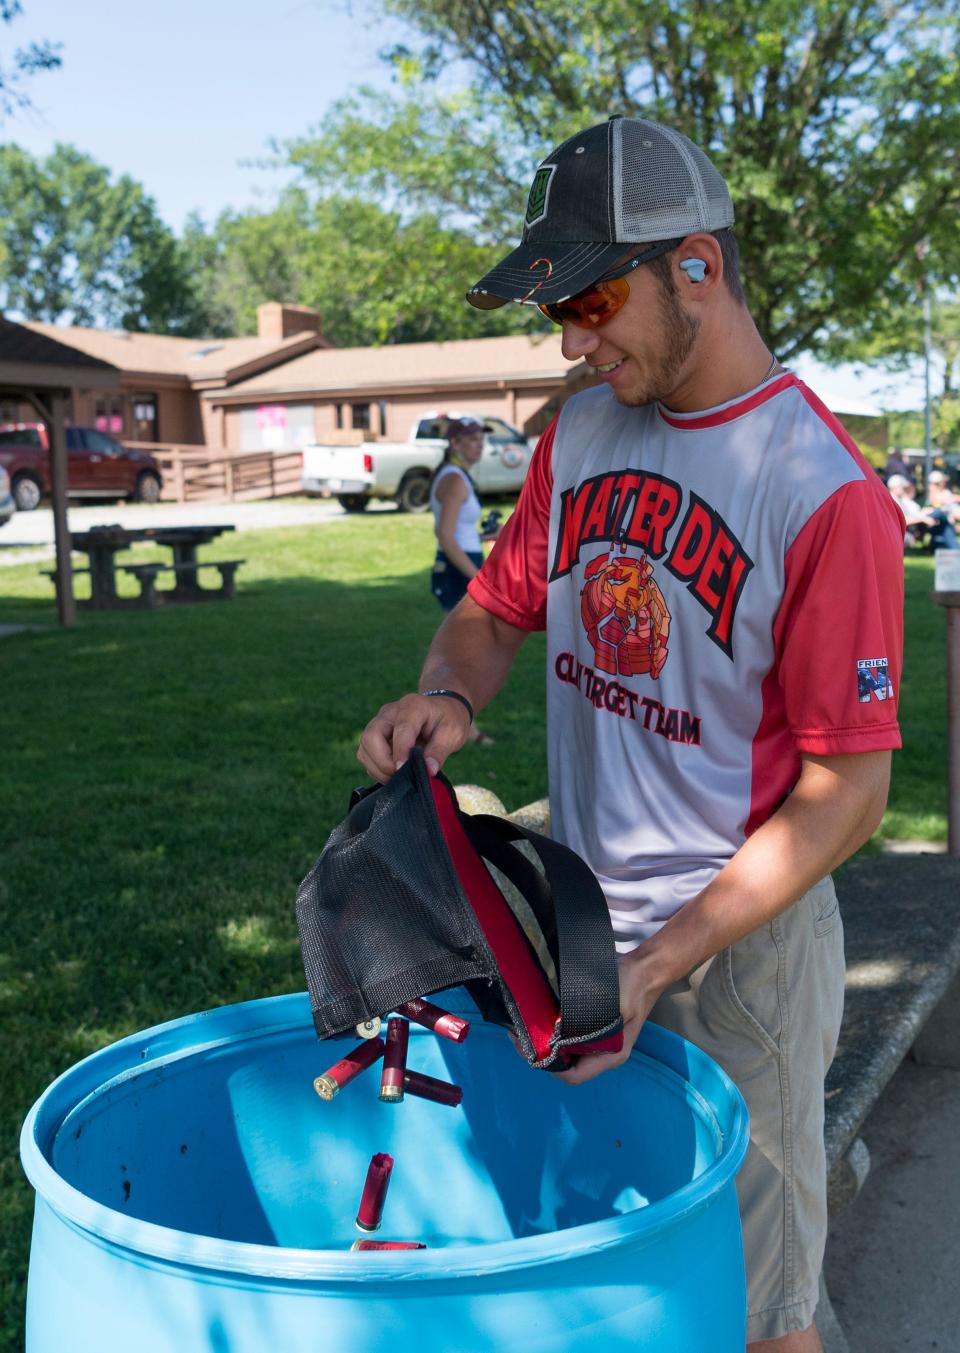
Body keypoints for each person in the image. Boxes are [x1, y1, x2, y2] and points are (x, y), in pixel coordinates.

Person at [358, 115, 904, 1351]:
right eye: (561, 308)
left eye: (595, 299)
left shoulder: (824, 492)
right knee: (612, 1235)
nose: (572, 338)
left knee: (764, 1303)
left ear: (695, 269)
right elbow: (493, 618)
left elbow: (847, 795)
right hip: (584, 916)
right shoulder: (579, 436)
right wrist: (448, 695)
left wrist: (662, 964)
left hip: (739, 950)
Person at [429, 415, 500, 743]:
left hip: (463, 564)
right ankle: (458, 727)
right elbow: (445, 536)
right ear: (454, 443)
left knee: (469, 652)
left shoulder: (456, 476)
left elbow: (455, 530)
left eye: (481, 440)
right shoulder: (454, 480)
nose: (479, 445)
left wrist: (488, 534)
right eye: (471, 439)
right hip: (460, 570)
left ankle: (463, 725)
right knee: (460, 655)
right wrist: (478, 578)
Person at [922, 469, 960, 549]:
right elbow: (935, 502)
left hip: (940, 522)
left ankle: (935, 546)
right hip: (930, 521)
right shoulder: (932, 493)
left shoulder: (945, 493)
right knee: (941, 515)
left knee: (944, 522)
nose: (945, 483)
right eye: (943, 481)